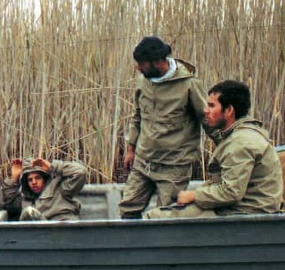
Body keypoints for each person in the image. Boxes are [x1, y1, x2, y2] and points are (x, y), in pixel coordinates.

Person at [145, 80, 283, 218]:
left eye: (211, 106)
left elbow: (231, 192)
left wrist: (194, 195)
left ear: (229, 110)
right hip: (243, 208)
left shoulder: (240, 143)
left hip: (244, 212)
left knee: (154, 217)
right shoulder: (242, 135)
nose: (205, 110)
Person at [119, 36, 209, 219]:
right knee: (127, 207)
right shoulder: (143, 81)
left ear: (158, 62)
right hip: (143, 161)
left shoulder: (189, 85)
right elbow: (137, 117)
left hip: (173, 166)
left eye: (142, 64)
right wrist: (131, 149)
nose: (138, 68)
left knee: (166, 215)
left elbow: (208, 120)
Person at [3, 157, 87, 221]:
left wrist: (52, 167)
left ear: (44, 178)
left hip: (63, 230)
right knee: (28, 213)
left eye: (38, 178)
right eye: (30, 180)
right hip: (40, 237)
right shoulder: (25, 200)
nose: (34, 182)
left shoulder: (60, 188)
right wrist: (14, 178)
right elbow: (9, 206)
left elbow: (80, 172)